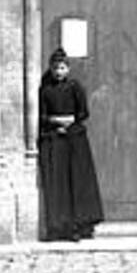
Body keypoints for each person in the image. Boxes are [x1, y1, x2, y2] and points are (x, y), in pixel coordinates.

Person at [38, 48, 104, 241]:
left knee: (78, 181)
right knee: (60, 184)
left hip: (75, 139)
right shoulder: (45, 90)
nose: (59, 72)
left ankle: (82, 224)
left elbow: (83, 112)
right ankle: (61, 227)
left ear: (68, 68)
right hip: (56, 139)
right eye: (55, 68)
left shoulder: (75, 87)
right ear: (51, 69)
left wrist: (71, 120)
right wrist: (55, 122)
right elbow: (42, 115)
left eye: (62, 68)